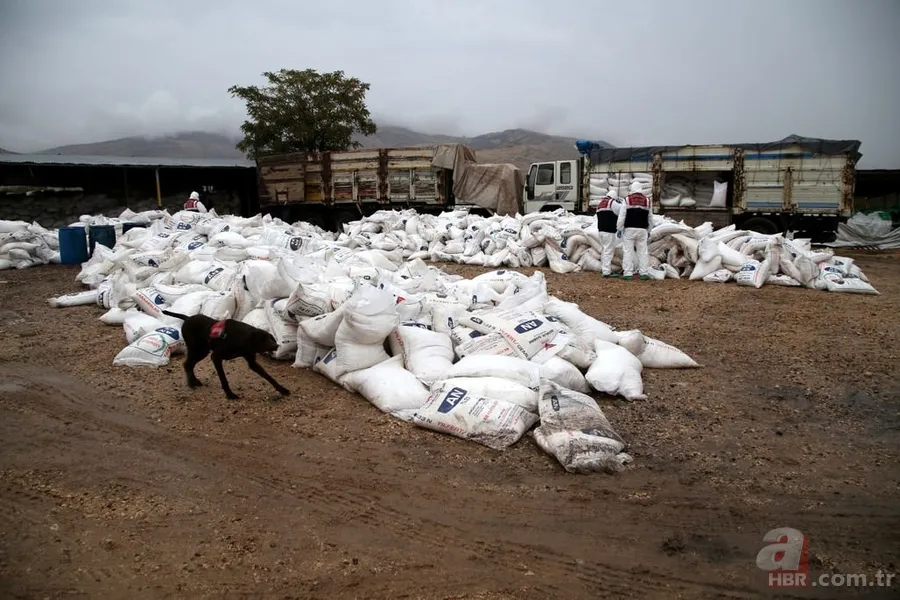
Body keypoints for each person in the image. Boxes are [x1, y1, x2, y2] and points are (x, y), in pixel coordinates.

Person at [616, 180, 653, 280]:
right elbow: (650, 217)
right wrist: (649, 230)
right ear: (640, 189)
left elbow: (622, 215)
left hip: (629, 229)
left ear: (632, 189)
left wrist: (619, 228)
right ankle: (644, 273)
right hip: (642, 230)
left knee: (628, 251)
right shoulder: (647, 201)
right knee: (643, 252)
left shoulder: (627, 199)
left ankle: (628, 273)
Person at [595, 188, 621, 277]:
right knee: (608, 251)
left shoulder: (600, 204)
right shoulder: (611, 202)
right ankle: (607, 272)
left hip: (601, 231)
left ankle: (604, 269)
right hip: (609, 231)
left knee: (604, 250)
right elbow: (620, 210)